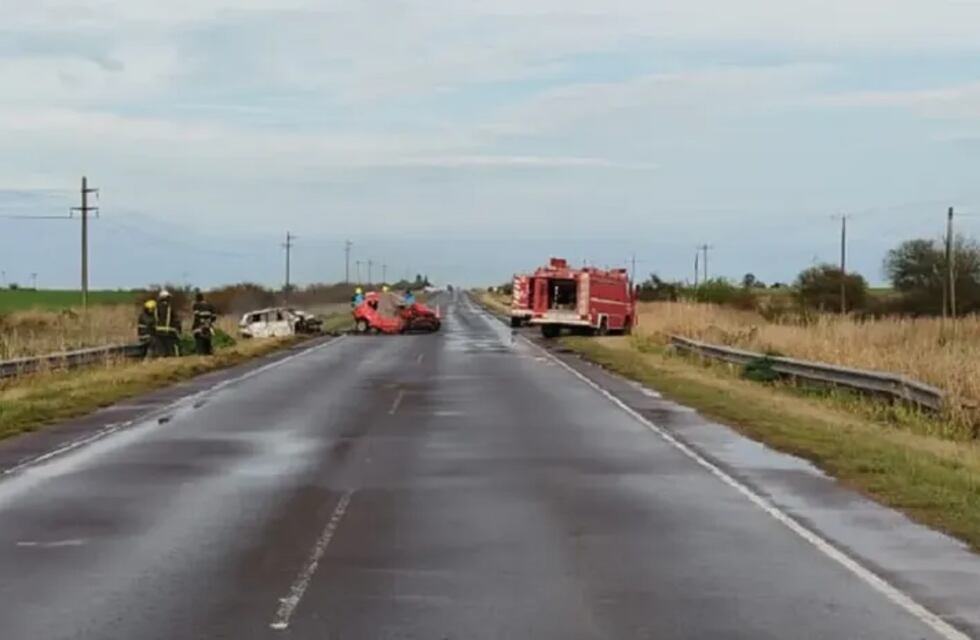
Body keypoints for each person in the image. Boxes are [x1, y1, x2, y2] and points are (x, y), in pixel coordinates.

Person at [154, 290, 182, 357]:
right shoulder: (170, 307)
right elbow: (175, 319)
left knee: (161, 350)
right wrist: (179, 329)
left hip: (158, 331)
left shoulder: (156, 307)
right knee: (170, 350)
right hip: (169, 331)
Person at [191, 290, 217, 355]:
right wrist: (209, 322)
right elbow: (214, 316)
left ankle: (201, 352)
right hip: (208, 325)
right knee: (208, 339)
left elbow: (196, 316)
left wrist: (194, 326)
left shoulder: (196, 305)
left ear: (197, 299)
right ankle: (209, 351)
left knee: (199, 340)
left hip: (199, 325)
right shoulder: (210, 305)